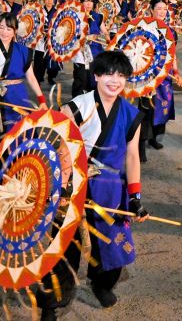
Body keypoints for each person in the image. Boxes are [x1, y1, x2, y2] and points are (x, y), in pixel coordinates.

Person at [37, 51, 148, 320]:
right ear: (96, 75)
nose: (115, 80)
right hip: (74, 186)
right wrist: (62, 185)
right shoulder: (76, 106)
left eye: (121, 75)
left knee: (111, 243)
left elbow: (132, 156)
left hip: (110, 188)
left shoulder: (132, 114)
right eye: (109, 73)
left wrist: (135, 196)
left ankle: (101, 284)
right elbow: (59, 148)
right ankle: (51, 301)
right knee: (64, 245)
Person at [0, 13, 48, 158]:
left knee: (22, 134)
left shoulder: (23, 50)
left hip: (18, 97)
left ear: (15, 30)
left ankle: (18, 171)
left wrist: (41, 99)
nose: (4, 32)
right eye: (1, 27)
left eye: (9, 29)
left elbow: (30, 76)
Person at [138, 0, 182, 162]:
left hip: (165, 76)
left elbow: (173, 54)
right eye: (159, 9)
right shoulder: (146, 28)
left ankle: (153, 138)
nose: (162, 12)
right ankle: (140, 146)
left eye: (165, 9)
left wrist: (176, 72)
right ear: (151, 10)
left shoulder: (170, 31)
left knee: (163, 107)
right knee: (146, 110)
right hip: (148, 76)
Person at [71, 0, 110, 97]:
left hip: (95, 52)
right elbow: (72, 35)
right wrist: (87, 37)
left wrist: (108, 39)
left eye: (91, 1)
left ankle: (90, 102)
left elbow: (105, 32)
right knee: (80, 78)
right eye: (86, 1)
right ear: (81, 2)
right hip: (80, 51)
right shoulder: (75, 16)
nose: (88, 4)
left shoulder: (97, 16)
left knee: (94, 79)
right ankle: (75, 103)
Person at [33, 0, 62, 85]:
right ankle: (38, 78)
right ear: (44, 1)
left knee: (52, 61)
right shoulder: (40, 11)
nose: (49, 1)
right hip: (41, 40)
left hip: (53, 41)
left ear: (54, 1)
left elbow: (61, 25)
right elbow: (35, 24)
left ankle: (51, 77)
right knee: (39, 61)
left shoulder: (57, 12)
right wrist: (40, 31)